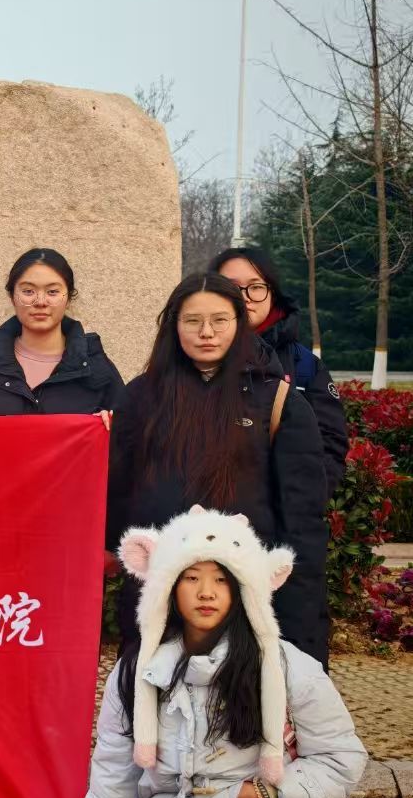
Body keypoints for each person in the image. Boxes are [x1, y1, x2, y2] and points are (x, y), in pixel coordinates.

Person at [74, 507, 366, 798]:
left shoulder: (287, 666)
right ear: (167, 586)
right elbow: (115, 764)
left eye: (222, 580)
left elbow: (341, 757)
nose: (206, 592)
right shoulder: (140, 670)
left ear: (245, 588)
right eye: (191, 577)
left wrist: (260, 793)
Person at [106, 273, 331, 665]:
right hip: (162, 590)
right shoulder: (142, 396)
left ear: (239, 325)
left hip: (245, 591)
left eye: (220, 320)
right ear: (173, 326)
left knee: (242, 710)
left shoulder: (274, 398)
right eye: (192, 321)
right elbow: (118, 491)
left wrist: (300, 623)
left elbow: (303, 515)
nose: (206, 332)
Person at [211, 246, 347, 502]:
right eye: (230, 287)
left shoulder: (305, 365)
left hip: (277, 520)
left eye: (257, 286)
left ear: (272, 292)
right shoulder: (187, 360)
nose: (245, 297)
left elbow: (330, 446)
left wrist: (297, 506)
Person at [0, 247, 122, 415]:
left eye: (52, 292)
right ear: (12, 297)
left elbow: (129, 433)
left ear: (68, 298)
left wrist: (109, 425)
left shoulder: (95, 365)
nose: (40, 301)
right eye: (28, 291)